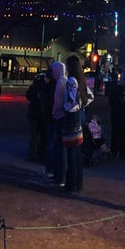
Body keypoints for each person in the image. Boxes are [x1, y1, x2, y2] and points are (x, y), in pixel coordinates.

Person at [63, 55, 87, 192]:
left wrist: (65, 106)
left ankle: (71, 183)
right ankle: (78, 182)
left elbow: (71, 99)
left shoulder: (72, 80)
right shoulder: (81, 80)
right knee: (76, 150)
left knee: (71, 150)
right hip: (78, 114)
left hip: (71, 115)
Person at [50, 61, 67, 186]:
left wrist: (54, 112)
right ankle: (60, 174)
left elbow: (57, 102)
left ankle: (60, 176)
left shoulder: (60, 83)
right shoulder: (66, 81)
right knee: (61, 147)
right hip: (65, 116)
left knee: (59, 147)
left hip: (60, 117)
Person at [25, 72, 48, 162]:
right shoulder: (44, 88)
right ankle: (35, 154)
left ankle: (32, 154)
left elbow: (28, 96)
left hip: (32, 113)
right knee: (39, 136)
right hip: (39, 114)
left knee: (34, 136)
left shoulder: (34, 86)